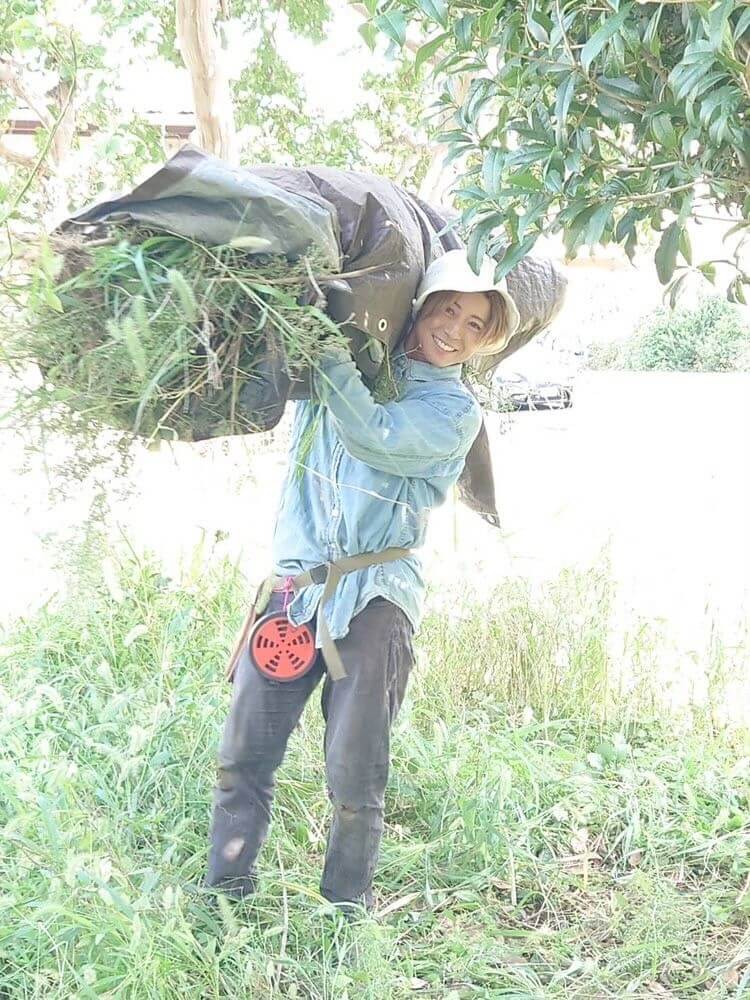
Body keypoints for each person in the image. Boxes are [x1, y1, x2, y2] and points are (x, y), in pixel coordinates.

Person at [206, 249, 520, 911]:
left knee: (354, 776)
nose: (454, 331)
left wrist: (329, 354)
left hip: (375, 600)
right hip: (294, 591)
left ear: (484, 341)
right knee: (242, 757)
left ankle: (344, 913)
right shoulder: (358, 362)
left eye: (474, 325)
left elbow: (373, 434)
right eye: (448, 309)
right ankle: (224, 900)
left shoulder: (453, 413)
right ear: (420, 303)